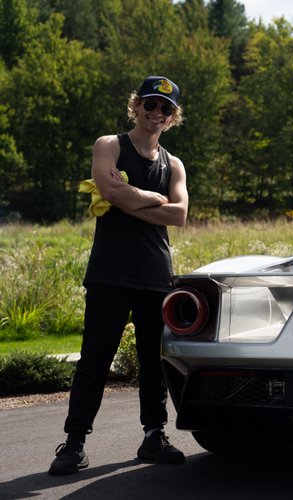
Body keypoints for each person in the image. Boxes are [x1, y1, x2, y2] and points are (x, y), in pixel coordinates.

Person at [48, 76, 190, 475]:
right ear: (136, 105)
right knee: (95, 359)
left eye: (166, 108)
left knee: (153, 361)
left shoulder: (173, 164)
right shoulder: (110, 145)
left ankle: (153, 436)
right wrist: (152, 198)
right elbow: (109, 192)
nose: (156, 113)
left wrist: (126, 197)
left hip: (155, 274)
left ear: (173, 116)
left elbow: (179, 215)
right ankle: (74, 444)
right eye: (150, 104)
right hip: (110, 273)